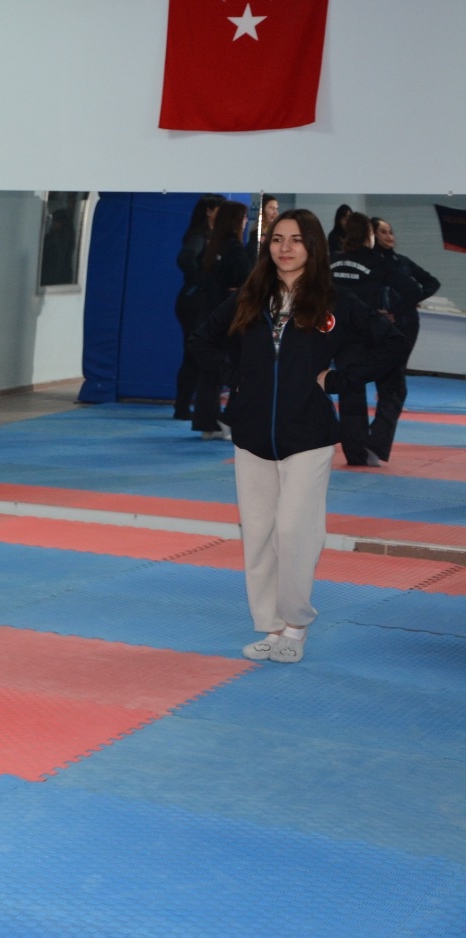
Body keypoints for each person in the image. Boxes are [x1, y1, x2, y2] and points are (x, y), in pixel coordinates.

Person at [190, 210, 404, 664]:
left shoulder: (335, 301)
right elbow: (201, 340)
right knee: (258, 534)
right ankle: (270, 626)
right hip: (252, 435)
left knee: (294, 530)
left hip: (308, 434)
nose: (285, 248)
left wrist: (341, 380)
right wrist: (237, 377)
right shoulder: (250, 297)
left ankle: (295, 625)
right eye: (277, 239)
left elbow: (392, 342)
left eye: (296, 240)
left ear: (313, 246)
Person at [329, 212, 422, 466]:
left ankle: (356, 453)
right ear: (369, 235)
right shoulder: (377, 262)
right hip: (372, 334)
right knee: (393, 389)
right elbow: (413, 289)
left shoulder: (332, 261)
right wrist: (392, 311)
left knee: (350, 392)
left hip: (342, 337)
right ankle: (376, 443)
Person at [363, 217, 440, 460]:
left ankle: (374, 442)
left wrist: (402, 305)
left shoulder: (403, 263)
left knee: (394, 383)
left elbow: (431, 283)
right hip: (375, 327)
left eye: (391, 232)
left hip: (405, 326)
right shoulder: (369, 264)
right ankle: (371, 442)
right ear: (373, 235)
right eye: (383, 232)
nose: (389, 236)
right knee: (389, 383)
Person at [191, 200, 254, 439]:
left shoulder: (213, 246)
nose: (246, 222)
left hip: (209, 314)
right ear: (237, 221)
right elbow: (248, 283)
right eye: (244, 218)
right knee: (241, 369)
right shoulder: (235, 249)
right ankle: (228, 418)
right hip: (229, 318)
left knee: (210, 370)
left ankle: (208, 423)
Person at [173, 194, 224, 420]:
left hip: (200, 300)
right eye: (219, 210)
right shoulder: (199, 236)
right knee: (193, 354)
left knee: (195, 354)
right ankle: (182, 405)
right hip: (193, 301)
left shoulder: (214, 237)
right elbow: (185, 258)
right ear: (209, 211)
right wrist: (201, 281)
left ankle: (184, 405)